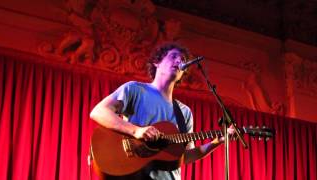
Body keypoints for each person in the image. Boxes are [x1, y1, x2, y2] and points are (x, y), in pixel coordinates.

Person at [90, 42, 232, 180]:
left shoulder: (184, 112)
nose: (179, 60)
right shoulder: (135, 89)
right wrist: (136, 131)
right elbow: (99, 111)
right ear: (156, 62)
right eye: (174, 56)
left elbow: (185, 156)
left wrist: (216, 142)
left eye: (183, 59)